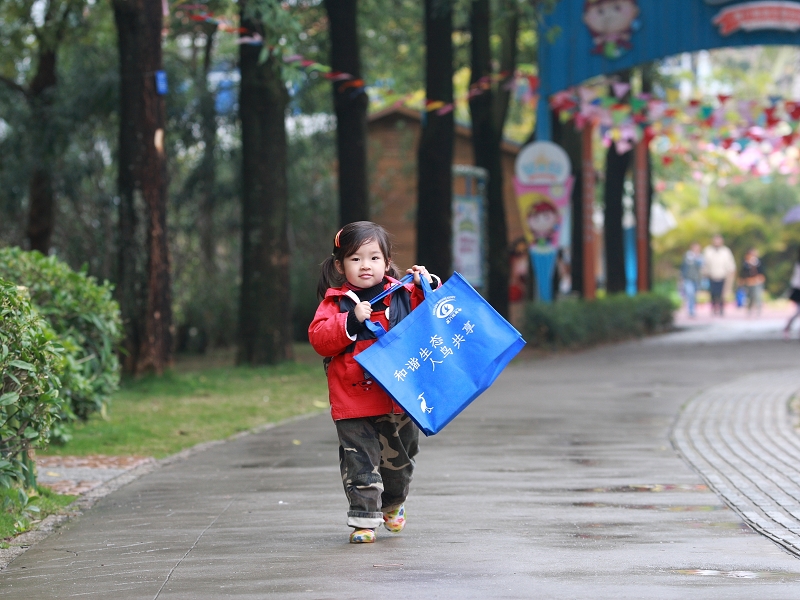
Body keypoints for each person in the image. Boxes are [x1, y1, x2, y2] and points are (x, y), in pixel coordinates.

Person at [308, 221, 441, 544]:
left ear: (387, 261)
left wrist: (428, 284)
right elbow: (320, 338)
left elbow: (431, 314)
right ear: (340, 265)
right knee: (360, 461)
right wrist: (351, 320)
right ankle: (364, 519)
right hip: (353, 401)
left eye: (373, 258)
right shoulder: (335, 303)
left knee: (400, 460)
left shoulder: (402, 295)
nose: (365, 265)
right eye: (355, 259)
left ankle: (393, 504)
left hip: (398, 398)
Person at [702, 234, 736, 316]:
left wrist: (731, 275)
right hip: (711, 276)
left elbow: (731, 265)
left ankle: (721, 309)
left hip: (722, 276)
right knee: (713, 294)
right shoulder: (708, 250)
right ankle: (713, 308)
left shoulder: (726, 251)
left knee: (721, 294)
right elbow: (704, 264)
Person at [739, 248, 765, 317]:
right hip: (748, 282)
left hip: (756, 282)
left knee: (757, 296)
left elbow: (761, 272)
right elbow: (743, 273)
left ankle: (758, 310)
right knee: (749, 297)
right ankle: (749, 310)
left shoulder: (758, 262)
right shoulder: (745, 263)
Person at [681, 242, 703, 318]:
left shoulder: (700, 257)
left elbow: (700, 266)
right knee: (690, 293)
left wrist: (697, 257)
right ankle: (690, 310)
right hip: (688, 278)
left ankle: (692, 309)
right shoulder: (687, 256)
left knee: (694, 295)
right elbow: (683, 267)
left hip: (696, 279)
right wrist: (682, 278)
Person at [784, 248, 800, 339]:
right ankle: (787, 328)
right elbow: (796, 279)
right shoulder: (798, 265)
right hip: (798, 290)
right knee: (798, 311)